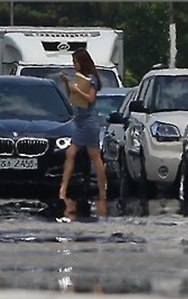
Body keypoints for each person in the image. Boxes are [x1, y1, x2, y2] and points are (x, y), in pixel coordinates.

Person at [59, 47, 107, 218]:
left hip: (90, 122)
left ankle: (102, 191)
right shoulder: (79, 79)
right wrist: (67, 84)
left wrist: (77, 90)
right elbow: (73, 99)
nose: (74, 65)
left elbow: (89, 99)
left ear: (82, 62)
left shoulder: (91, 79)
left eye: (75, 62)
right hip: (80, 123)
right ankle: (63, 189)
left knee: (94, 156)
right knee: (71, 152)